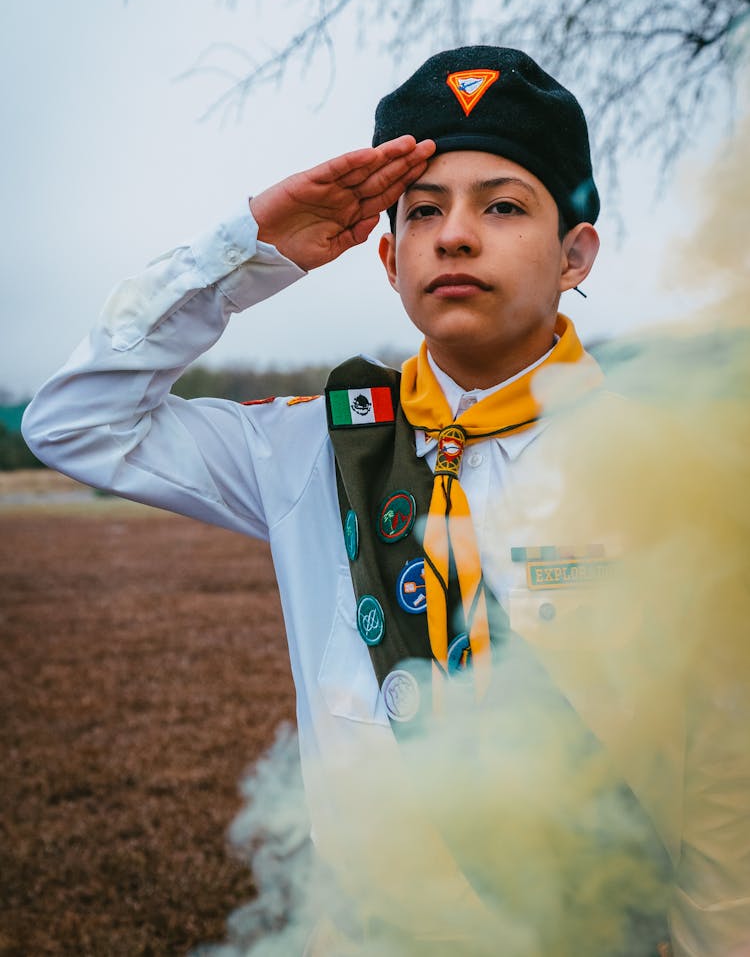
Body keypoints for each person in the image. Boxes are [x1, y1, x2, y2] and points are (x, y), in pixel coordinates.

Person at [22, 47, 748, 956]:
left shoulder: (668, 462)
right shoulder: (317, 447)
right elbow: (77, 426)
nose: (455, 234)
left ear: (575, 254)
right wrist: (250, 252)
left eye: (504, 205)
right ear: (389, 254)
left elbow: (726, 774)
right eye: (424, 211)